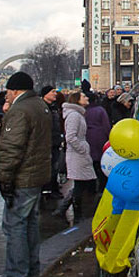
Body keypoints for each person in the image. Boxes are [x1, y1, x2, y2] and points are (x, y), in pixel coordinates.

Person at [0, 72, 52, 277]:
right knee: (30, 224)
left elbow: (11, 149)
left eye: (8, 91)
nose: (6, 94)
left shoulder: (20, 110)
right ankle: (31, 272)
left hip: (22, 178)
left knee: (15, 226)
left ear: (14, 90)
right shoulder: (40, 106)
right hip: (36, 175)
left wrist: (4, 179)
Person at [60, 92, 94, 223]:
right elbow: (70, 137)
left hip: (80, 154)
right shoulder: (74, 115)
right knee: (80, 184)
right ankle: (76, 213)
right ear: (78, 100)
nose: (87, 98)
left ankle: (64, 209)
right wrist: (82, 148)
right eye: (84, 96)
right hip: (77, 155)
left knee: (82, 183)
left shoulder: (78, 114)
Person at [84, 91, 112, 193]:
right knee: (100, 162)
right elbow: (106, 125)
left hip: (87, 137)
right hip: (100, 137)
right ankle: (101, 187)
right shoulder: (100, 110)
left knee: (90, 162)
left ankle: (90, 187)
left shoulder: (84, 110)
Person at [40, 85, 63, 199]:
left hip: (55, 141)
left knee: (55, 166)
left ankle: (53, 187)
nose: (55, 93)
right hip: (46, 143)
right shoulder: (41, 108)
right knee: (50, 167)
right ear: (45, 94)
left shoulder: (54, 107)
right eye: (53, 92)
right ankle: (47, 189)